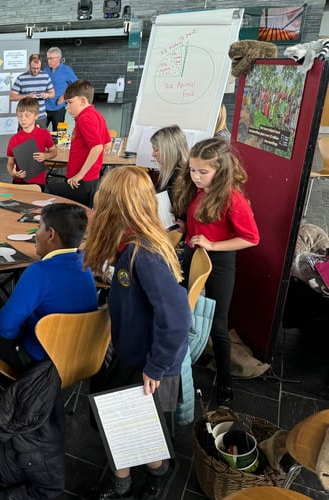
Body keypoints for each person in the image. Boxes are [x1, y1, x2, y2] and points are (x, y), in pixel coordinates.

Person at [82, 167, 190, 500]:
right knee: (120, 422)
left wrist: (156, 366)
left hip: (151, 364)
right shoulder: (135, 244)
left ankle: (156, 473)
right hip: (135, 352)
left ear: (118, 208)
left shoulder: (144, 255)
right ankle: (124, 480)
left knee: (134, 427)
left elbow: (177, 319)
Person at [171, 138, 259, 405]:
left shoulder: (233, 198)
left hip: (220, 261)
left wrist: (213, 245)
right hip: (193, 254)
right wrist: (186, 228)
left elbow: (251, 238)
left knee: (219, 324)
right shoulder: (199, 190)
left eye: (202, 172)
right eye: (193, 170)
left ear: (220, 170)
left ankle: (224, 378)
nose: (196, 177)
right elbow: (202, 223)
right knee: (183, 309)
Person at [0, 203, 97, 373]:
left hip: (40, 360)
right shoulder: (85, 263)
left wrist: (19, 334)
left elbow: (5, 328)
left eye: (39, 227)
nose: (36, 234)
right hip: (80, 356)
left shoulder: (39, 272)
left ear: (51, 234)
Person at [46, 80, 110, 208]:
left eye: (70, 102)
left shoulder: (85, 119)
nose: (67, 107)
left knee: (44, 191)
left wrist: (80, 174)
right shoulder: (97, 115)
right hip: (91, 179)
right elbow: (107, 143)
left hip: (80, 180)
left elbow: (97, 147)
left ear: (82, 101)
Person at [5, 97, 56, 191]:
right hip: (19, 181)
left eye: (27, 115)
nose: (23, 119)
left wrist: (46, 155)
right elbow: (10, 162)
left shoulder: (44, 134)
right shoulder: (14, 139)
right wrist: (13, 173)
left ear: (36, 116)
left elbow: (53, 151)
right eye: (20, 116)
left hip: (38, 181)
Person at [9, 53, 55, 129]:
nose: (36, 70)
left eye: (38, 68)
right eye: (34, 68)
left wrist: (47, 95)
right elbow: (11, 97)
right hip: (25, 118)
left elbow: (52, 93)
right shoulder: (21, 78)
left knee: (41, 140)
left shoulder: (46, 76)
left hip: (41, 117)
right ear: (29, 64)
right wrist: (27, 96)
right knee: (25, 141)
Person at [44, 47, 78, 131]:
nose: (48, 61)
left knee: (59, 136)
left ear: (58, 58)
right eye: (47, 58)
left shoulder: (67, 70)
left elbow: (77, 86)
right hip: (44, 108)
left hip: (59, 108)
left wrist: (65, 97)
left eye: (51, 58)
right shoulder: (45, 70)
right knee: (39, 135)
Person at [150, 125, 188, 194]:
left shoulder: (177, 178)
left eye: (156, 150)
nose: (153, 154)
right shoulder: (169, 172)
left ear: (169, 151)